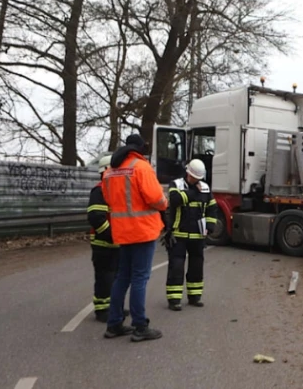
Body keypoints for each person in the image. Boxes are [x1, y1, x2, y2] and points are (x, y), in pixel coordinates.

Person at [102, 134, 169, 342]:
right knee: (140, 278)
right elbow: (156, 198)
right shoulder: (141, 167)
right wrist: (164, 204)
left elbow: (107, 198)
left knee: (123, 277)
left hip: (123, 231)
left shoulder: (110, 171)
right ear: (140, 148)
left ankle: (114, 324)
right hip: (142, 230)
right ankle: (140, 325)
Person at [163, 159, 218, 311]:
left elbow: (212, 207)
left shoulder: (205, 188)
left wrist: (211, 225)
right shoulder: (176, 185)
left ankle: (195, 297)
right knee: (177, 267)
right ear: (188, 174)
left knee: (196, 267)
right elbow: (175, 200)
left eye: (199, 178)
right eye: (195, 178)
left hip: (197, 236)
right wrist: (194, 192)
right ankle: (174, 299)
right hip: (178, 235)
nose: (197, 181)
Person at [88, 155, 122, 323]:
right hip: (103, 243)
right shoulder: (100, 190)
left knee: (116, 277)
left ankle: (115, 307)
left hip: (116, 243)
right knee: (104, 278)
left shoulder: (113, 189)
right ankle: (102, 310)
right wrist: (111, 235)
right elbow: (96, 217)